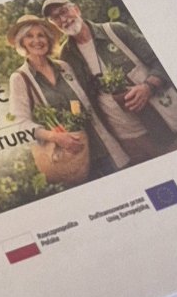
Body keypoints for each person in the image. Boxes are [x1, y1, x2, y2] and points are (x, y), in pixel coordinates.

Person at [43, 0, 177, 162]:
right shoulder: (66, 56)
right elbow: (75, 98)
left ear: (76, 9)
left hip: (160, 122)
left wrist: (148, 87)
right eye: (56, 18)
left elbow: (161, 60)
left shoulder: (115, 31)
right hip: (125, 139)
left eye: (64, 11)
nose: (63, 19)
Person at [6, 16, 123, 179]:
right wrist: (55, 137)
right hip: (69, 159)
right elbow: (19, 123)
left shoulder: (64, 67)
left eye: (41, 35)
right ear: (22, 42)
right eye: (29, 36)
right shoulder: (20, 78)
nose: (37, 41)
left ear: (48, 39)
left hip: (101, 146)